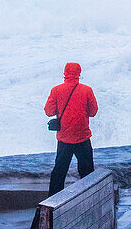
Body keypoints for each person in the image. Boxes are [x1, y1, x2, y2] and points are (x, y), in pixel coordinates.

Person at [45, 62, 99, 195]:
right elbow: (93, 112)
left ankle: (53, 202)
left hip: (64, 138)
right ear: (79, 73)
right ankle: (89, 198)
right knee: (87, 173)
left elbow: (48, 111)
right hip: (82, 137)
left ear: (65, 73)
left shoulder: (56, 90)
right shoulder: (87, 90)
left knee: (59, 172)